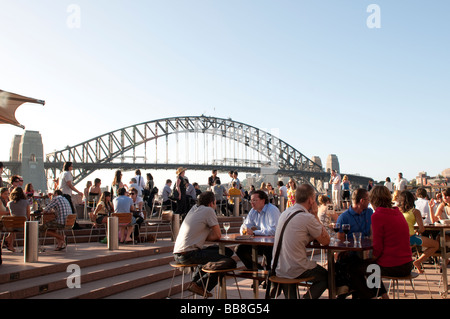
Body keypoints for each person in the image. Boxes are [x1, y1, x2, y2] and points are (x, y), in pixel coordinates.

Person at [347, 186, 413, 299]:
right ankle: (382, 295)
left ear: (373, 200)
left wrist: (370, 258)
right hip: (407, 265)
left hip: (394, 266)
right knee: (371, 266)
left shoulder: (378, 216)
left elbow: (378, 248)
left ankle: (370, 296)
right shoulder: (398, 213)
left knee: (353, 268)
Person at [272, 184, 330, 299]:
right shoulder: (307, 217)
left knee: (289, 271)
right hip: (295, 269)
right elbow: (326, 241)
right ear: (311, 200)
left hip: (278, 267)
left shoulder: (285, 213)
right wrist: (315, 215)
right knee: (326, 277)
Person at [173, 191, 234, 298]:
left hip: (178, 253)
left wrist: (201, 236)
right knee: (230, 262)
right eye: (215, 202)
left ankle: (194, 283)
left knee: (227, 251)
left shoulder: (193, 209)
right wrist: (203, 236)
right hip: (189, 254)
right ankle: (200, 285)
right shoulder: (209, 210)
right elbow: (217, 235)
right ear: (211, 203)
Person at [236, 190, 281, 271]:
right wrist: (244, 230)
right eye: (251, 200)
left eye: (255, 200)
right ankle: (257, 270)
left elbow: (274, 230)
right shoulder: (253, 211)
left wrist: (254, 232)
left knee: (268, 251)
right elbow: (245, 224)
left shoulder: (272, 210)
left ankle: (268, 277)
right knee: (239, 249)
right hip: (261, 242)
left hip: (274, 244)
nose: (252, 203)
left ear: (263, 201)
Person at [398, 190, 439, 273]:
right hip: (411, 238)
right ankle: (418, 261)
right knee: (435, 245)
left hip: (398, 239)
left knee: (411, 245)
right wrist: (417, 231)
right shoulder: (415, 211)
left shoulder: (396, 211)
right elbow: (422, 229)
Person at [5, 187, 30, 251]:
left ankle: (10, 245)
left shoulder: (9, 203)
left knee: (13, 230)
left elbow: (11, 214)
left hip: (12, 224)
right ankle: (26, 248)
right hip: (23, 224)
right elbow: (28, 215)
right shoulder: (26, 202)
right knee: (28, 226)